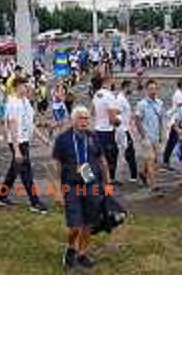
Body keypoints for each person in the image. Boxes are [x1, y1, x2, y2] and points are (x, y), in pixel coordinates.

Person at [53, 106, 111, 271]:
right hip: (71, 184)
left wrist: (108, 183)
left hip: (91, 183)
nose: (84, 121)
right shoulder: (63, 139)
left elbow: (102, 160)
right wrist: (57, 191)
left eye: (86, 118)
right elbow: (56, 164)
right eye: (81, 118)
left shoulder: (93, 137)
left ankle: (82, 253)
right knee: (75, 226)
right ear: (73, 120)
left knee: (88, 224)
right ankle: (71, 248)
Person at [0, 78, 48, 213]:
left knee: (14, 171)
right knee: (26, 172)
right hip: (18, 142)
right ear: (17, 87)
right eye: (24, 85)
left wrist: (42, 138)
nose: (27, 88)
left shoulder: (26, 102)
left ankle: (1, 196)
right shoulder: (13, 103)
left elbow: (30, 124)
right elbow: (12, 126)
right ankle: (34, 202)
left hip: (24, 141)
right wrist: (16, 150)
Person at [135, 79, 165, 194]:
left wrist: (162, 134)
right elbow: (137, 119)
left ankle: (143, 173)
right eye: (150, 88)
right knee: (151, 160)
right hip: (147, 138)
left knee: (156, 161)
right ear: (146, 90)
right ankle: (154, 185)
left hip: (156, 136)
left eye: (154, 88)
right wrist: (143, 136)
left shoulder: (160, 103)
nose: (153, 91)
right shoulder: (142, 104)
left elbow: (161, 119)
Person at [92, 73, 121, 185]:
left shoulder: (97, 94)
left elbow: (93, 112)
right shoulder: (109, 95)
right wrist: (119, 121)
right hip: (107, 131)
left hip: (98, 128)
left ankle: (101, 178)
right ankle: (109, 179)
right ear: (107, 81)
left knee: (100, 156)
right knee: (111, 156)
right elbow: (112, 119)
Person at [116, 80, 141, 184]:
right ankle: (133, 175)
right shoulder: (120, 100)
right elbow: (117, 114)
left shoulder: (123, 98)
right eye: (130, 87)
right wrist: (120, 129)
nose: (131, 89)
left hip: (126, 128)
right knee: (129, 152)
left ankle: (133, 174)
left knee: (128, 152)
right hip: (123, 129)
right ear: (126, 87)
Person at [163, 78, 182, 169]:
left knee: (173, 141)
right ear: (181, 85)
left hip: (175, 121)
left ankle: (167, 160)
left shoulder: (180, 94)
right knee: (172, 142)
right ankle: (166, 161)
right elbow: (180, 109)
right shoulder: (179, 95)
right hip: (176, 121)